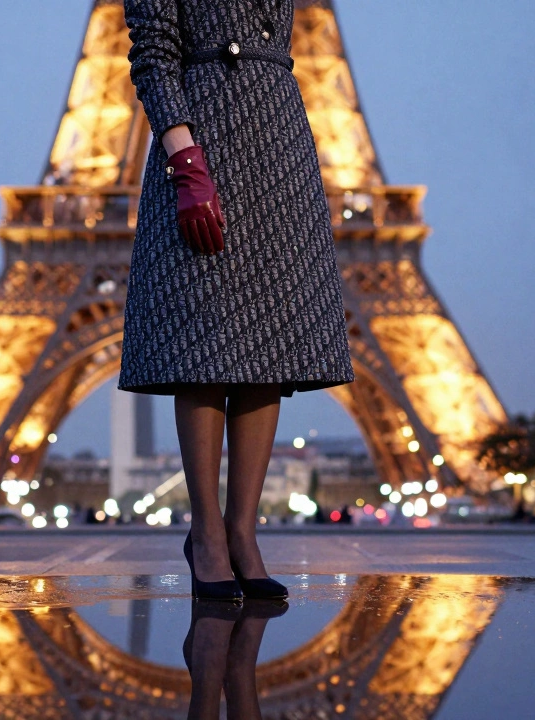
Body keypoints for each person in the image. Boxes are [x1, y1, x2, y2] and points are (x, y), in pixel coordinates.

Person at [118, 0, 354, 602]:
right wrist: (186, 161)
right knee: (202, 339)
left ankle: (243, 535)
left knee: (268, 348)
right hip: (205, 140)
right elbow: (152, 56)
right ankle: (207, 537)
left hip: (279, 146)